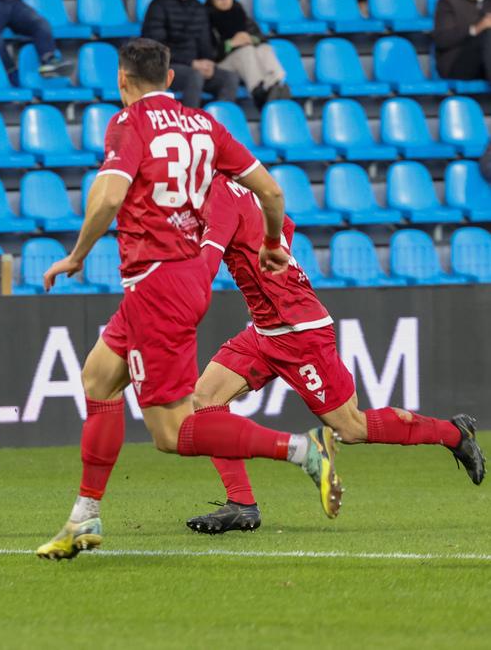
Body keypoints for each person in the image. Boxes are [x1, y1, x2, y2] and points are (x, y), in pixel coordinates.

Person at [36, 38, 342, 561]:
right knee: (97, 377)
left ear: (122, 81)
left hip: (157, 284)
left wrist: (77, 255)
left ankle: (300, 449)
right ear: (172, 79)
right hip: (179, 279)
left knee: (172, 433)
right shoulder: (205, 126)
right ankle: (85, 517)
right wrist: (272, 244)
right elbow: (270, 192)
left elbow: (109, 195)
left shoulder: (129, 123)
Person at [184, 175, 486, 534]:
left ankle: (453, 434)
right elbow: (285, 225)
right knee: (205, 399)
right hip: (266, 329)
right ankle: (242, 504)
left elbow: (205, 265)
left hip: (299, 331)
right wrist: (271, 283)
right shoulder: (240, 187)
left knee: (350, 427)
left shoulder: (217, 195)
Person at [142, 0, 238, 108]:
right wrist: (191, 63)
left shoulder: (198, 8)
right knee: (194, 76)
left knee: (229, 78)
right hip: (163, 67)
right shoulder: (157, 6)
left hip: (193, 66)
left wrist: (208, 63)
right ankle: (188, 123)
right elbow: (155, 49)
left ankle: (216, 124)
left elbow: (205, 44)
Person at [205, 0, 289, 109]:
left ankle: (277, 84)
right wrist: (231, 43)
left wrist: (251, 39)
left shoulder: (239, 13)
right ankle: (259, 93)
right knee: (246, 51)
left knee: (264, 49)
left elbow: (261, 38)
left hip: (247, 63)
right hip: (222, 64)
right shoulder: (206, 18)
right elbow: (208, 52)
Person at [433, 0, 491, 82]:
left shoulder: (488, 1)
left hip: (484, 63)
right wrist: (475, 29)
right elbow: (442, 39)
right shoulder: (448, 2)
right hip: (456, 62)